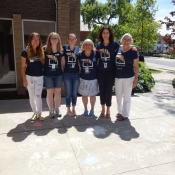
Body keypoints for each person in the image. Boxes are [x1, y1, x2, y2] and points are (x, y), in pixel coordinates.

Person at [96, 26, 120, 118]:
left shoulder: (114, 44)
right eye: (104, 33)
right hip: (101, 71)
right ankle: (102, 109)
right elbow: (96, 56)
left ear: (110, 34)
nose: (105, 34)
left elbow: (122, 51)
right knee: (101, 90)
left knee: (108, 91)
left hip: (111, 71)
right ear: (101, 34)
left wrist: (132, 48)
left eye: (107, 32)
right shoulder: (99, 45)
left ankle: (108, 109)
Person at [115, 33, 139, 121]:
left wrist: (135, 79)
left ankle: (125, 115)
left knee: (127, 97)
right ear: (122, 40)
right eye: (125, 39)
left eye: (128, 39)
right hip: (118, 77)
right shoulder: (118, 49)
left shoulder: (133, 51)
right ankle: (120, 112)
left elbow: (136, 66)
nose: (126, 41)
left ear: (131, 41)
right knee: (118, 96)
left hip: (128, 78)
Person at [21, 32, 44, 121]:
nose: (36, 42)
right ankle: (35, 113)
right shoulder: (25, 52)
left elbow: (43, 63)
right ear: (30, 40)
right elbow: (22, 66)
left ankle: (39, 113)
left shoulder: (41, 51)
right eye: (34, 40)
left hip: (39, 77)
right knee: (32, 95)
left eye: (37, 40)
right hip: (29, 76)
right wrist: (24, 79)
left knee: (38, 95)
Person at [43, 32, 65, 118]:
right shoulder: (45, 50)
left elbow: (63, 64)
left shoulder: (61, 51)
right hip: (48, 75)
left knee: (57, 93)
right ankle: (51, 110)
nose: (54, 40)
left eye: (55, 38)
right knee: (49, 92)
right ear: (49, 40)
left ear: (58, 40)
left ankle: (57, 109)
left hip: (58, 75)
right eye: (52, 38)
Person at [76, 39, 99, 116]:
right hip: (83, 78)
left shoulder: (96, 54)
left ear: (92, 46)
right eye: (86, 44)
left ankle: (92, 110)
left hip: (93, 78)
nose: (88, 46)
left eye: (89, 44)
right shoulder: (80, 54)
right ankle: (85, 109)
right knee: (84, 95)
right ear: (83, 46)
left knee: (93, 95)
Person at [62, 33, 80, 116]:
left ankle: (73, 109)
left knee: (74, 93)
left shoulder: (77, 48)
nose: (72, 40)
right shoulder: (65, 48)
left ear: (76, 40)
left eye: (73, 39)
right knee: (68, 92)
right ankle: (68, 109)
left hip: (76, 73)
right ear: (68, 40)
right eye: (70, 39)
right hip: (67, 74)